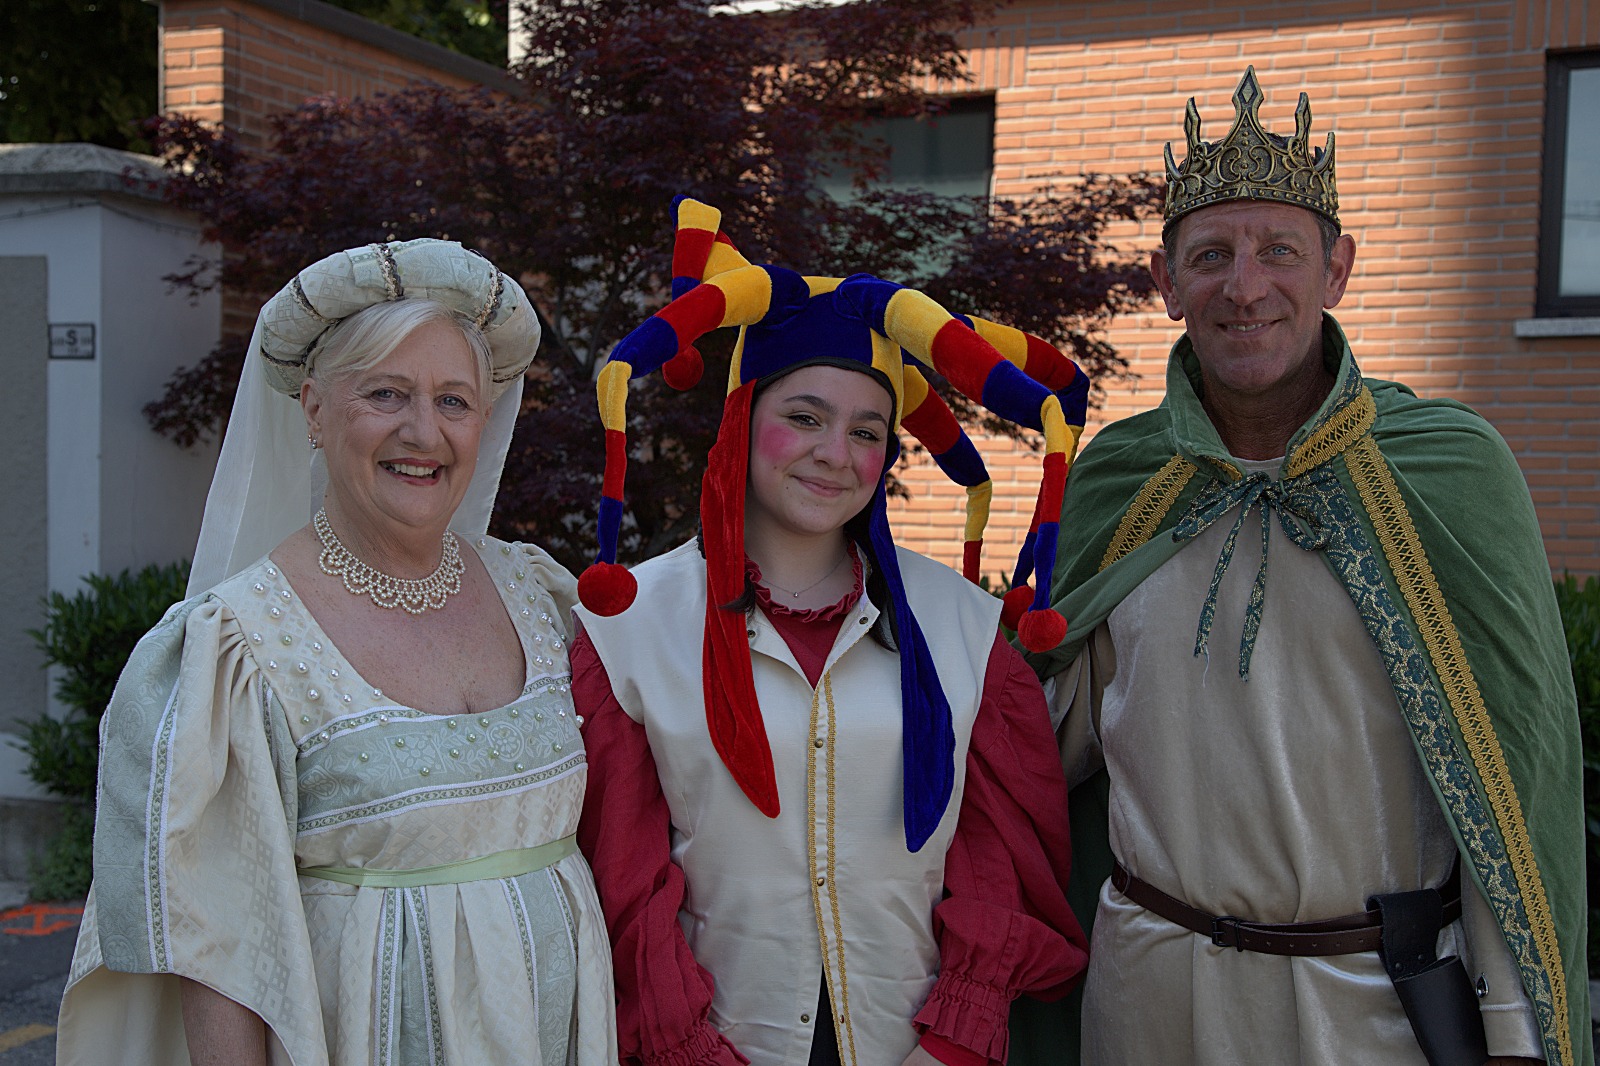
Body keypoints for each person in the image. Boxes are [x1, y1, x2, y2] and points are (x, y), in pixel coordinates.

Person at [1025, 67, 1590, 1065]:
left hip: (1370, 1008)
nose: (1243, 286)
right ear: (1164, 283)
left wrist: (1509, 1028)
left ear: (1336, 271)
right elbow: (1041, 742)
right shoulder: (1120, 477)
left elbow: (1508, 775)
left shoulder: (1448, 472)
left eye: (1277, 250)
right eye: (1209, 255)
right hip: (1147, 993)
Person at [57, 240, 617, 1066]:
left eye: (454, 400)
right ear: (314, 409)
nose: (422, 431)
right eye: (385, 392)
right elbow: (218, 943)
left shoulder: (537, 592)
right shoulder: (237, 643)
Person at [568, 197, 1091, 1066]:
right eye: (804, 417)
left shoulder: (963, 628)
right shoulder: (628, 627)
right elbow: (621, 880)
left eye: (866, 432)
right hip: (709, 1045)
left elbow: (997, 855)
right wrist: (686, 1047)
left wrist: (956, 1037)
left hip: (917, 1050)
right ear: (743, 421)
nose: (834, 454)